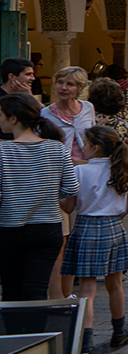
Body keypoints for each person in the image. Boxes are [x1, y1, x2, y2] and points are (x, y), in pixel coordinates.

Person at [62, 125, 128, 352]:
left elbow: (69, 206)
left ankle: (86, 341)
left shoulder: (79, 171)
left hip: (86, 228)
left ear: (95, 148)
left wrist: (57, 200)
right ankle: (120, 329)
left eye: (84, 144)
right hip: (114, 228)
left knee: (87, 289)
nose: (81, 148)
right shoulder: (123, 169)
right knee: (115, 284)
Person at [0, 93, 77, 302]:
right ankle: (39, 333)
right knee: (37, 290)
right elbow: (71, 188)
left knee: (11, 290)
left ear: (13, 118)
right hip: (48, 227)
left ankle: (15, 334)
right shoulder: (57, 148)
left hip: (9, 228)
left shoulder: (2, 151)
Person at [43, 66, 96, 154]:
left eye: (70, 84)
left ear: (80, 89)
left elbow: (94, 138)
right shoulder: (45, 114)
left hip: (85, 164)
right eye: (60, 82)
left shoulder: (88, 107)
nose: (63, 88)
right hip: (58, 165)